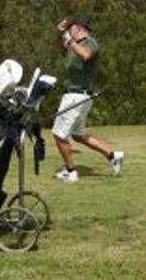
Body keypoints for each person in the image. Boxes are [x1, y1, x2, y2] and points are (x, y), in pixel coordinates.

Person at [51, 14, 123, 182]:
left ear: (78, 28)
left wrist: (69, 39)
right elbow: (59, 49)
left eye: (71, 28)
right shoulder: (72, 46)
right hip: (76, 96)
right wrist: (59, 32)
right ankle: (113, 155)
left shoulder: (90, 43)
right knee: (78, 135)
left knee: (59, 135)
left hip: (77, 96)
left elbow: (85, 55)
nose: (69, 32)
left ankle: (71, 172)